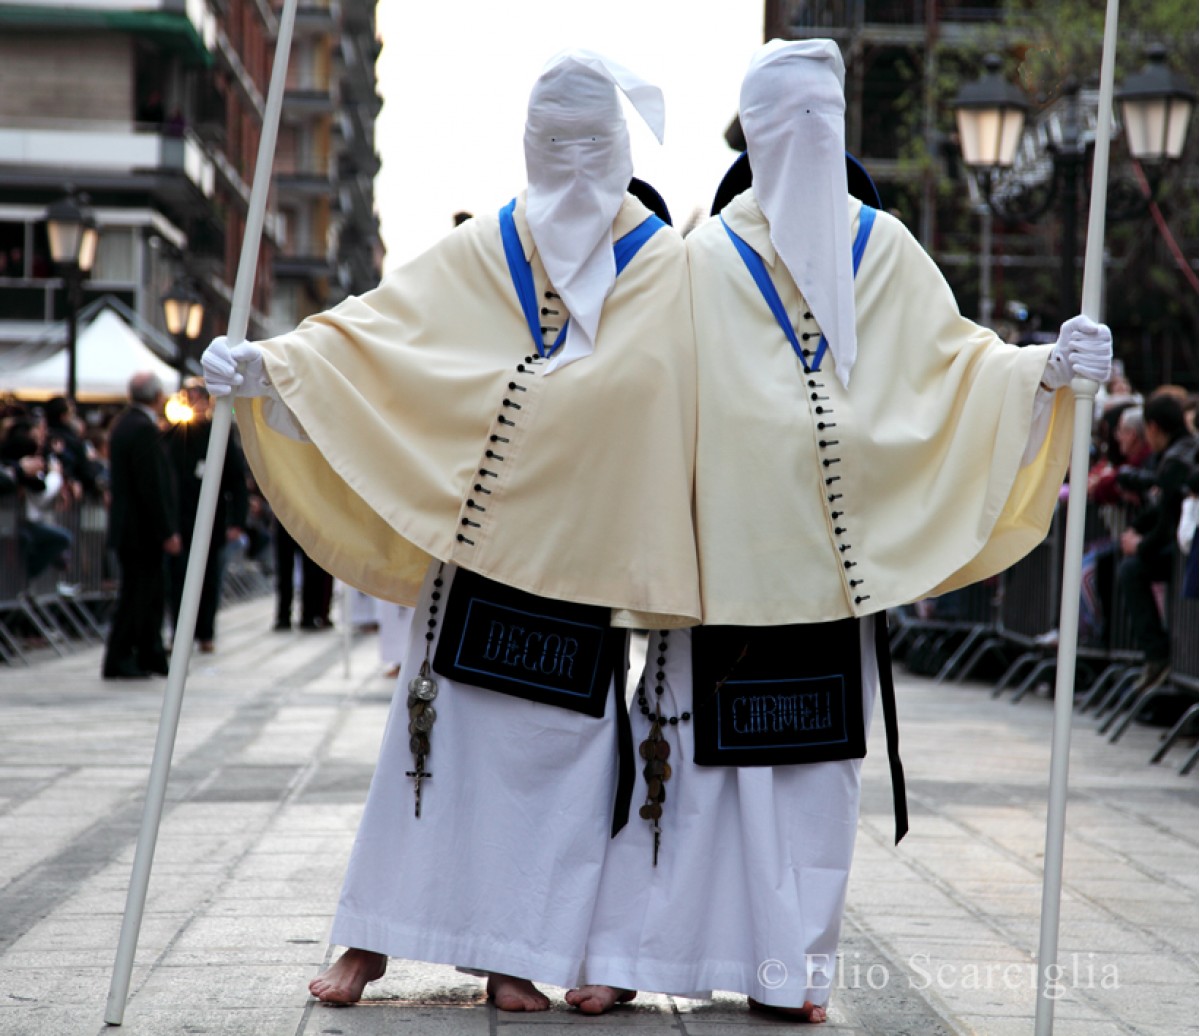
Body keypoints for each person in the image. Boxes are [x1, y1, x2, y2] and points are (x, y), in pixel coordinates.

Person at [576, 39, 1112, 1022]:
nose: (814, 141)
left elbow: (956, 363)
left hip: (829, 571)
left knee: (815, 782)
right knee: (684, 771)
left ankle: (794, 971)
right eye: (793, 123)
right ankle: (627, 949)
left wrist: (1043, 368)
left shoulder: (886, 251)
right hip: (721, 566)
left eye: (828, 120)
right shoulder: (698, 262)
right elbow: (635, 386)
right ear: (757, 135)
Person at [202, 50, 698, 1013]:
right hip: (475, 555)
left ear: (620, 146)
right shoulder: (490, 246)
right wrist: (271, 365)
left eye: (590, 145)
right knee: (431, 750)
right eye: (552, 144)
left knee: (554, 760)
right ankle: (374, 937)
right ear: (527, 146)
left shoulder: (668, 268)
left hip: (583, 559)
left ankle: (513, 950)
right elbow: (384, 334)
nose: (571, 164)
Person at [101, 372, 181, 680]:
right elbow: (152, 485)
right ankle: (121, 657)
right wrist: (167, 530)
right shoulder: (142, 428)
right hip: (140, 531)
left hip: (134, 529)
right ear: (157, 394)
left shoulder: (126, 424)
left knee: (148, 594)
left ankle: (149, 652)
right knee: (137, 596)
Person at [1116, 392, 1198, 690]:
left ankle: (1158, 655)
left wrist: (1140, 545)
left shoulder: (1177, 457)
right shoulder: (1178, 452)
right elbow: (1158, 510)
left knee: (1131, 570)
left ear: (1152, 427)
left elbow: (1165, 519)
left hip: (1182, 550)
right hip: (1179, 546)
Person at [162, 379, 248, 653]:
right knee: (179, 577)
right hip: (180, 518)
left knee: (209, 578)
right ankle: (179, 632)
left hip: (211, 519)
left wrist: (237, 520)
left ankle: (205, 632)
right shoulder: (175, 434)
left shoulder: (218, 433)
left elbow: (236, 480)